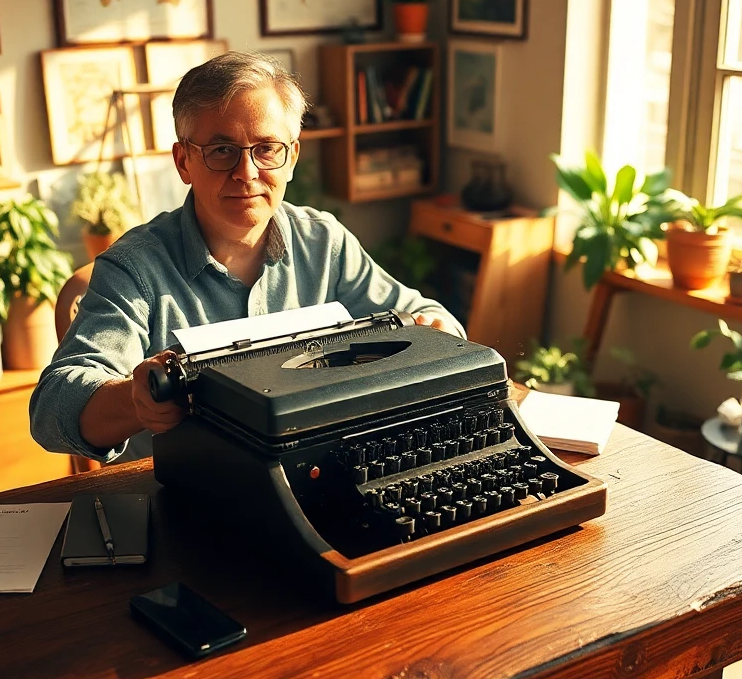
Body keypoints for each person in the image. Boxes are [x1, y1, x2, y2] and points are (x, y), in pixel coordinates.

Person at [30, 51, 463, 463]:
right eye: (221, 151)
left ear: (291, 157)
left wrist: (436, 328)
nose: (247, 173)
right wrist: (135, 400)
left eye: (267, 148)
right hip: (187, 491)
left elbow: (425, 314)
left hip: (314, 467)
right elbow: (52, 409)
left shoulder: (322, 241)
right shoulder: (133, 270)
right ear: (183, 162)